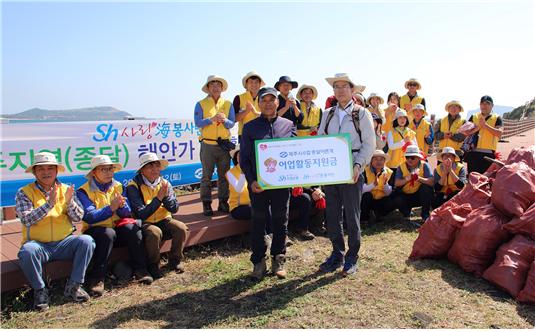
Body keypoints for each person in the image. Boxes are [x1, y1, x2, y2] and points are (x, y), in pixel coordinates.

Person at [16, 152, 95, 310]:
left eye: (50, 168)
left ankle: (74, 286)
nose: (46, 172)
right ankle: (40, 290)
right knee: (27, 252)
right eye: (41, 169)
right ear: (34, 172)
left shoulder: (66, 189)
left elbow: (79, 216)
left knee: (86, 241)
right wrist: (49, 204)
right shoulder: (24, 192)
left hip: (64, 242)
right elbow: (26, 219)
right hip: (38, 245)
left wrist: (69, 202)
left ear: (57, 171)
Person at [317, 73, 375, 276]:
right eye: (336, 86)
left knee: (352, 215)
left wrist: (358, 166)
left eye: (344, 86)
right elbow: (320, 141)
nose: (340, 90)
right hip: (331, 171)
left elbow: (369, 144)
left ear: (352, 90)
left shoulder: (362, 114)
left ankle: (352, 257)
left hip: (353, 170)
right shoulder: (327, 114)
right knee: (332, 214)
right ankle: (337, 253)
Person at [240, 86, 296, 280]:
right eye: (264, 100)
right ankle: (258, 261)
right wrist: (252, 180)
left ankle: (278, 258)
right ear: (259, 103)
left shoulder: (288, 125)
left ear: (277, 102)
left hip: (281, 185)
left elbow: (294, 154)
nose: (268, 103)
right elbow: (244, 159)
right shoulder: (250, 127)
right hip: (259, 186)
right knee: (258, 221)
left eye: (272, 100)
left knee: (281, 220)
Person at [77, 155, 153, 296]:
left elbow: (127, 213)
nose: (108, 172)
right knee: (107, 233)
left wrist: (122, 207)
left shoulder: (118, 186)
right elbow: (90, 217)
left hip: (116, 227)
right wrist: (111, 207)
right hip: (96, 231)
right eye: (103, 169)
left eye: (110, 169)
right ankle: (97, 278)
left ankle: (141, 270)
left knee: (132, 228)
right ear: (94, 172)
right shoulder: (83, 191)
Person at [126, 153, 189, 279]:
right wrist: (159, 198)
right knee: (154, 232)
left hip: (165, 218)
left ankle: (175, 260)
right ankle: (153, 265)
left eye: (157, 166)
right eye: (150, 166)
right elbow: (141, 213)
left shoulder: (165, 183)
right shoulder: (133, 186)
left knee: (181, 228)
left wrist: (165, 197)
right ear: (142, 170)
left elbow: (174, 208)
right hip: (145, 222)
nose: (155, 169)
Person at [194, 75, 236, 216]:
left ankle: (223, 202)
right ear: (208, 88)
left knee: (224, 176)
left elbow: (232, 123)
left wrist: (224, 120)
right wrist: (211, 120)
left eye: (218, 84)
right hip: (208, 145)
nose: (216, 87)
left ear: (222, 88)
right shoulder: (200, 104)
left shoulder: (228, 104)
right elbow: (198, 122)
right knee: (206, 176)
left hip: (223, 145)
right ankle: (206, 204)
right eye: (212, 85)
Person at [393, 145, 434, 226]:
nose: (409, 160)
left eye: (412, 157)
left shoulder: (425, 165)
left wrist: (418, 178)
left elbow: (431, 182)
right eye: (407, 157)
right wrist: (407, 179)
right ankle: (406, 213)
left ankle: (425, 215)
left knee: (426, 188)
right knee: (396, 197)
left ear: (418, 158)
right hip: (406, 196)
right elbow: (396, 183)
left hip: (419, 196)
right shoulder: (401, 167)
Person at [464, 95, 504, 174]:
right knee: (473, 178)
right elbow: (466, 132)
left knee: (486, 179)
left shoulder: (497, 118)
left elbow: (499, 133)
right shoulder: (474, 117)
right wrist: (478, 127)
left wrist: (485, 126)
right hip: (473, 153)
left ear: (492, 106)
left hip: (488, 154)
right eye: (482, 103)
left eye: (487, 103)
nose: (484, 105)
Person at [361, 150, 396, 226]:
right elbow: (361, 191)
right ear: (371, 160)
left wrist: (385, 185)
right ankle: (364, 219)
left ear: (384, 161)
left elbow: (389, 192)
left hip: (382, 199)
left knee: (395, 199)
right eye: (376, 159)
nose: (378, 162)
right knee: (366, 196)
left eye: (381, 159)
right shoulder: (364, 171)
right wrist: (373, 185)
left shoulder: (390, 172)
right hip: (369, 199)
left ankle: (380, 214)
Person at [232, 71, 265, 144]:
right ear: (246, 84)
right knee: (246, 155)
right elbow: (234, 119)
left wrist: (256, 113)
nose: (254, 84)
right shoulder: (238, 98)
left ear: (260, 84)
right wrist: (246, 111)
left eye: (256, 82)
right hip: (244, 134)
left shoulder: (265, 97)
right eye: (251, 82)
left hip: (263, 133)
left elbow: (270, 115)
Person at [225, 147, 251, 220]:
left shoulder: (254, 169)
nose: (240, 157)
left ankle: (270, 231)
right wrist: (244, 172)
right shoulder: (230, 173)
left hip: (254, 204)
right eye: (238, 155)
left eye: (243, 155)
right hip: (238, 207)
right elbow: (239, 189)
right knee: (258, 211)